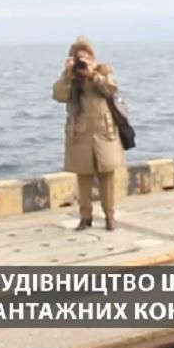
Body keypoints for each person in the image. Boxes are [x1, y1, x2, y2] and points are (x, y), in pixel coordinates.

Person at [52, 36, 125, 231]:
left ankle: (110, 216)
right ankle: (85, 217)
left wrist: (94, 75)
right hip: (80, 134)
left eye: (86, 56)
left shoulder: (102, 72)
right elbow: (58, 95)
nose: (82, 61)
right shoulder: (70, 77)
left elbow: (112, 89)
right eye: (78, 57)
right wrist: (68, 75)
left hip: (104, 132)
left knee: (107, 178)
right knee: (83, 178)